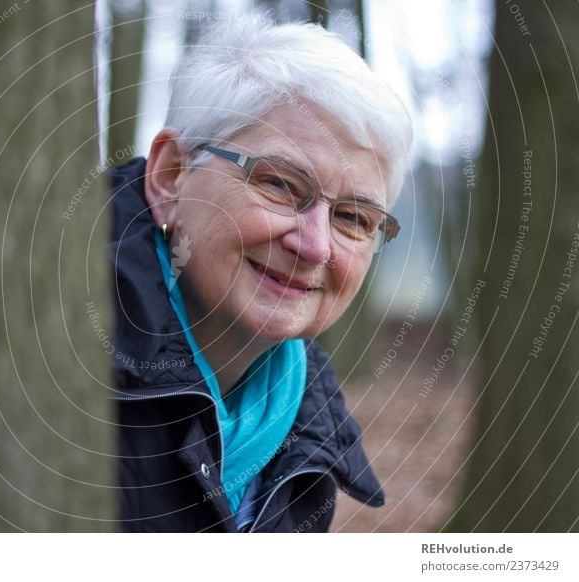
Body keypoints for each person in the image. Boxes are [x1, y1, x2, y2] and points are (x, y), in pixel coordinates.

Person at [109, 13, 412, 532]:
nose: (315, 247)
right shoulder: (44, 356)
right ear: (170, 176)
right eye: (279, 185)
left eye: (354, 219)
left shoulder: (303, 424)